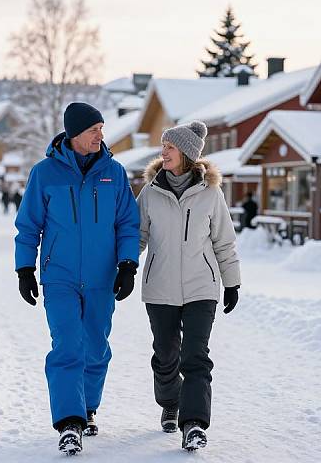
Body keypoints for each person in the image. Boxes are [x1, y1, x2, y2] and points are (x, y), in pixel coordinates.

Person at [14, 102, 139, 455]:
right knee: (67, 346)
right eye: (93, 130)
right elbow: (28, 226)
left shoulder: (114, 173)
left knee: (96, 348)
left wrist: (128, 264)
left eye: (101, 128)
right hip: (60, 276)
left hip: (102, 275)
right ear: (74, 134)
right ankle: (70, 422)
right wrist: (25, 268)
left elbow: (127, 223)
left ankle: (87, 407)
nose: (101, 135)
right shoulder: (45, 173)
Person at [137, 121, 241, 451]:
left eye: (169, 146)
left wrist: (232, 283)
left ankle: (194, 423)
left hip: (201, 288)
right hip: (160, 288)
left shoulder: (211, 194)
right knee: (166, 355)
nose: (162, 151)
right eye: (163, 146)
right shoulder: (151, 192)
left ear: (187, 154)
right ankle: (170, 400)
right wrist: (121, 267)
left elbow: (224, 242)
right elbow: (136, 237)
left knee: (195, 356)